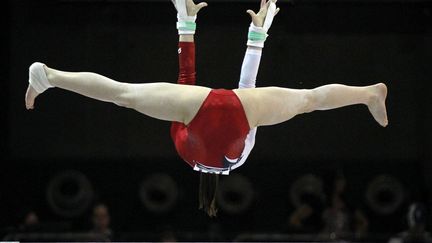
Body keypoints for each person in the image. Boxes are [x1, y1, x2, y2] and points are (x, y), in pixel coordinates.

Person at [24, 0, 388, 217]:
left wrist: (256, 38)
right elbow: (187, 91)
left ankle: (368, 93)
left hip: (241, 115)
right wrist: (187, 28)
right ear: (199, 183)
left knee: (310, 101)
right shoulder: (186, 156)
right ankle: (51, 77)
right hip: (198, 117)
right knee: (125, 95)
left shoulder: (240, 160)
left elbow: (246, 93)